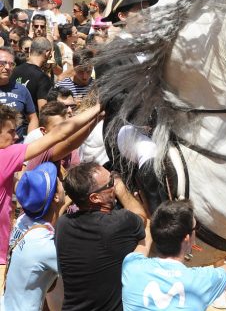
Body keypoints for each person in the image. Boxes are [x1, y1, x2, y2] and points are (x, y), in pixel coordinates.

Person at [0, 102, 101, 290]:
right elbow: (63, 136)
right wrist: (98, 109)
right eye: (11, 132)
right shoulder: (5, 156)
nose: (16, 137)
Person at [122, 200, 226, 310]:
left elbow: (146, 238)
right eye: (196, 228)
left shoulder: (131, 266)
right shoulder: (202, 280)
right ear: (187, 238)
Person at [55, 162, 147, 311]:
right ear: (95, 198)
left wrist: (76, 194)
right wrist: (122, 190)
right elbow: (141, 217)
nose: (114, 184)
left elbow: (62, 210)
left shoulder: (63, 224)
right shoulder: (119, 222)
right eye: (110, 183)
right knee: (146, 231)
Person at [3, 162, 66, 311]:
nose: (61, 181)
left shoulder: (22, 220)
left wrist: (62, 205)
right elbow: (84, 272)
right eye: (58, 180)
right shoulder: (45, 246)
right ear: (56, 197)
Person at [0, 46, 38, 137]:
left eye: (11, 64)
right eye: (3, 63)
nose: (8, 67)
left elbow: (33, 118)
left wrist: (29, 141)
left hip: (17, 146)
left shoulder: (21, 89)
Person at [11, 36, 53, 113]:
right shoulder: (42, 78)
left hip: (12, 121)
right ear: (47, 53)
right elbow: (43, 111)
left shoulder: (14, 71)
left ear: (30, 50)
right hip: (32, 123)